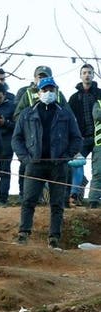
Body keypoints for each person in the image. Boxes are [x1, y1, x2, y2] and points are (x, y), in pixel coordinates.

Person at [13, 77, 84, 249]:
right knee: (28, 200)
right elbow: (17, 139)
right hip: (34, 163)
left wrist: (66, 156)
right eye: (45, 90)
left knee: (57, 203)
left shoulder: (65, 114)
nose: (48, 93)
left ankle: (54, 237)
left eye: (51, 90)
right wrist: (25, 158)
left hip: (58, 165)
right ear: (38, 93)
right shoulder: (27, 113)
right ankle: (23, 233)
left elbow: (77, 139)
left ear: (56, 91)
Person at [68, 64, 101, 207]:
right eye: (84, 72)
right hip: (81, 138)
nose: (87, 75)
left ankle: (94, 198)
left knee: (98, 169)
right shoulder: (74, 98)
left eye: (89, 72)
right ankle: (75, 195)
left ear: (93, 75)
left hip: (98, 138)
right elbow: (69, 119)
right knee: (76, 165)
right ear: (80, 75)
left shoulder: (99, 94)